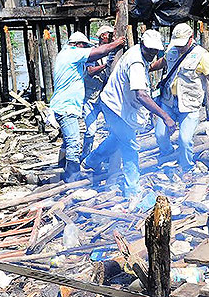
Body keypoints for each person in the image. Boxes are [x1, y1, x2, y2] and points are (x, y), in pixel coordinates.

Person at [82, 30, 177, 197]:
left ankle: (90, 162)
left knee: (117, 139)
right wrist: (166, 116)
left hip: (119, 105)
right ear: (142, 45)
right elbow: (141, 95)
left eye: (155, 52)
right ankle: (132, 190)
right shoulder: (136, 63)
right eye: (149, 51)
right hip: (114, 107)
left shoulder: (137, 52)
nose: (151, 55)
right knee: (130, 146)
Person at [48, 31, 125, 182]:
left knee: (67, 140)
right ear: (77, 45)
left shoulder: (66, 56)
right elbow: (97, 52)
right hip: (66, 106)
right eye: (84, 47)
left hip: (63, 105)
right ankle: (72, 176)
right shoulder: (72, 53)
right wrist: (116, 44)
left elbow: (89, 67)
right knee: (73, 142)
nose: (85, 50)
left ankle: (62, 164)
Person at [150, 23, 209, 174]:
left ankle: (186, 167)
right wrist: (147, 67)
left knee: (184, 139)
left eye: (182, 44)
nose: (179, 47)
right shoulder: (171, 50)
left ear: (191, 39)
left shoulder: (201, 55)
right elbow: (162, 62)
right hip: (169, 101)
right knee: (160, 134)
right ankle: (168, 155)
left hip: (189, 104)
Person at [82, 25, 115, 160]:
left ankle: (106, 157)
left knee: (112, 129)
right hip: (91, 98)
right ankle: (85, 155)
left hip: (106, 98)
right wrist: (105, 66)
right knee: (90, 131)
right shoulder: (92, 52)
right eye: (110, 34)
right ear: (103, 36)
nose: (112, 37)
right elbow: (90, 71)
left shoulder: (113, 52)